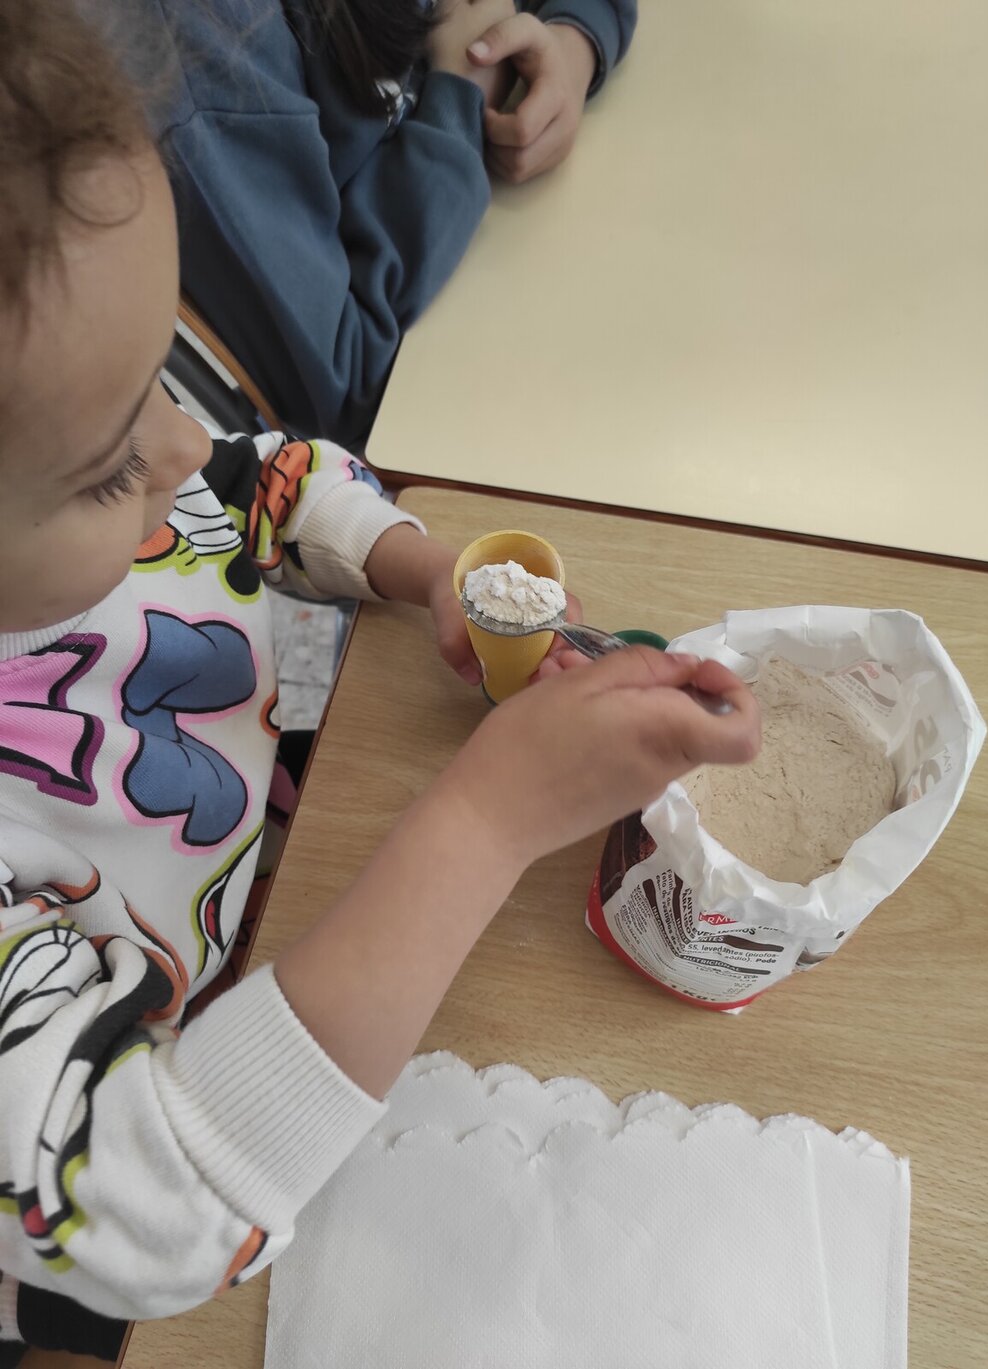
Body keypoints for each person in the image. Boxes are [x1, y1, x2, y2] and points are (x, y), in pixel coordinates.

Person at [0, 4, 757, 1360]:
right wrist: (481, 824)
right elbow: (150, 1206)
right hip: (208, 1195)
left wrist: (406, 562)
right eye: (115, 459)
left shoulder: (98, 426)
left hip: (305, 870)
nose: (180, 447)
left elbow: (254, 473)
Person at [115, 0, 637, 445]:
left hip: (521, 250)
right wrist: (464, 94)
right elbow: (340, 381)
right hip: (431, 399)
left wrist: (572, 41)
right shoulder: (186, 54)